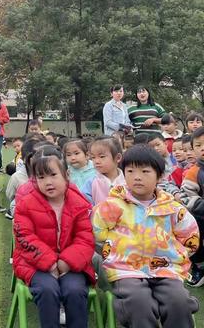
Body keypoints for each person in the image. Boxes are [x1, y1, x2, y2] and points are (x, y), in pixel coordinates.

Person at [92, 144, 199, 327]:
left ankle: (184, 305)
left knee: (177, 300)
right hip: (125, 269)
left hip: (166, 267)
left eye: (145, 171)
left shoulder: (172, 207)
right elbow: (98, 231)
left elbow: (190, 235)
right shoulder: (113, 205)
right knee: (138, 301)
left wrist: (177, 254)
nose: (137, 177)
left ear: (159, 176)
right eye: (130, 171)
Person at [13, 146, 95, 328]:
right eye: (41, 177)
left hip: (72, 264)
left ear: (66, 175)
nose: (48, 182)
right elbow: (24, 237)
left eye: (53, 175)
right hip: (34, 263)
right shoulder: (25, 204)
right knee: (47, 290)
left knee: (74, 290)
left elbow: (85, 238)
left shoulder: (79, 203)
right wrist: (49, 262)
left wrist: (66, 262)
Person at [179, 126, 204, 286]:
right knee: (195, 241)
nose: (203, 149)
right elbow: (186, 197)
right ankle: (199, 267)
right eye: (198, 145)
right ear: (193, 150)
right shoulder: (194, 172)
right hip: (200, 217)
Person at [83, 137, 125, 206]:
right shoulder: (91, 183)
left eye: (102, 156)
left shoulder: (127, 181)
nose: (96, 161)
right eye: (93, 157)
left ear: (118, 158)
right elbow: (85, 206)